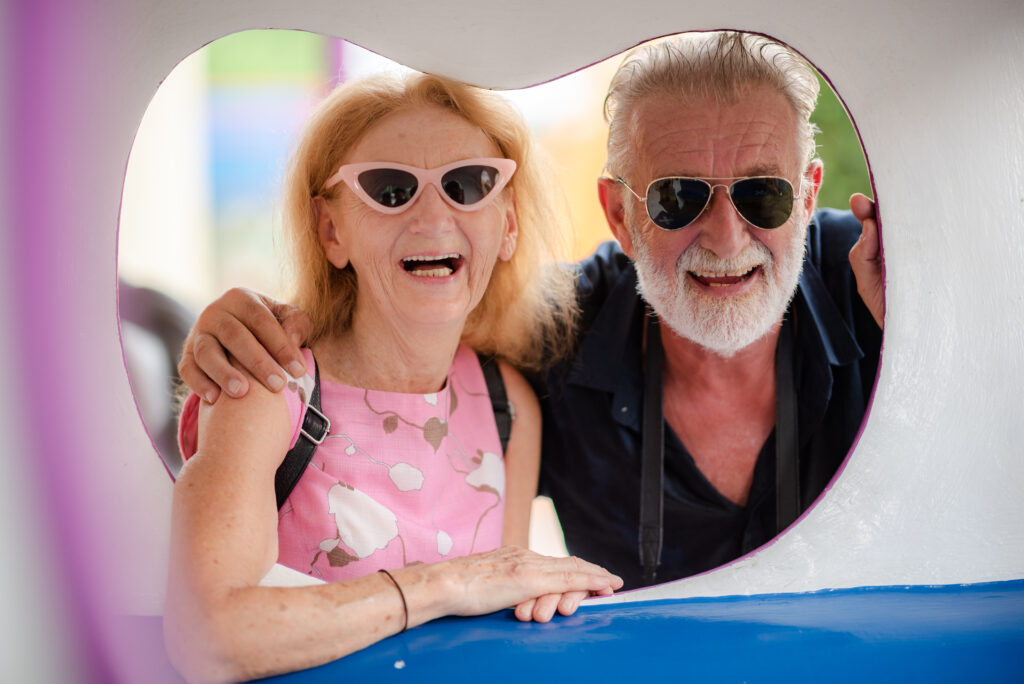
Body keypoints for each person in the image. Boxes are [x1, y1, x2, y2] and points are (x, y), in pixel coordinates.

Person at [177, 32, 884, 592]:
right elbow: (411, 310)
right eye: (677, 198)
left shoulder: (885, 286)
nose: (727, 237)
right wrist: (247, 332)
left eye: (763, 195)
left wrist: (947, 331)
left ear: (810, 188)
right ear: (619, 215)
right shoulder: (554, 335)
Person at [164, 73, 622, 684]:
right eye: (389, 189)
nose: (433, 216)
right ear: (332, 231)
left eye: (469, 184)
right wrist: (446, 585)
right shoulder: (269, 388)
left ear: (507, 224)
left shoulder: (507, 403)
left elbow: (489, 642)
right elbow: (207, 634)